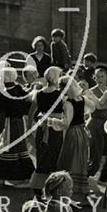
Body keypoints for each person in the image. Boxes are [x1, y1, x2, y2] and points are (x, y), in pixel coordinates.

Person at [0, 67, 34, 187]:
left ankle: (3, 177)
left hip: (10, 123)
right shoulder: (18, 88)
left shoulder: (4, 92)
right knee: (20, 149)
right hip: (20, 122)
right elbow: (27, 98)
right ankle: (25, 176)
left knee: (5, 148)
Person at [49, 77, 96, 202]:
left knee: (69, 160)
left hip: (73, 133)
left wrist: (51, 121)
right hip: (82, 131)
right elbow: (92, 107)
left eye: (61, 87)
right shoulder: (81, 99)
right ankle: (80, 192)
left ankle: (69, 192)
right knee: (80, 160)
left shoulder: (69, 103)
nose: (60, 90)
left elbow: (66, 124)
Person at [28, 66, 64, 195]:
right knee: (54, 157)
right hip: (55, 129)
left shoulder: (39, 93)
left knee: (42, 157)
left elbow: (32, 112)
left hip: (41, 128)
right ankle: (53, 188)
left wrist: (29, 129)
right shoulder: (60, 95)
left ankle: (38, 187)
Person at [85, 65, 107, 183]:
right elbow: (93, 108)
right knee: (95, 155)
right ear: (94, 78)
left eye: (102, 76)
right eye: (97, 77)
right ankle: (85, 178)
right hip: (95, 123)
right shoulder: (90, 92)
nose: (100, 79)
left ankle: (103, 177)